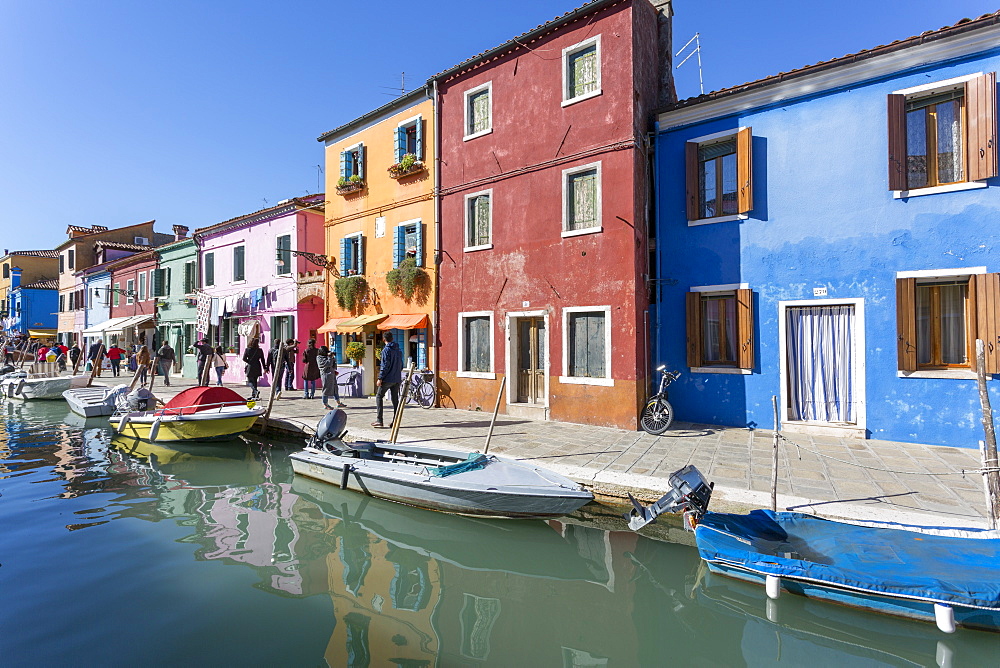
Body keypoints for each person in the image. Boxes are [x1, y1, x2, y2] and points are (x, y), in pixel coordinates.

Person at [372, 331, 402, 428]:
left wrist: (380, 378)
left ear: (384, 340)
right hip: (397, 378)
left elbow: (385, 366)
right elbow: (401, 365)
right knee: (395, 400)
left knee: (379, 397)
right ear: (392, 339)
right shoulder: (398, 350)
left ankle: (379, 420)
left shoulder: (386, 350)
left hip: (387, 379)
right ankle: (395, 421)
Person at [317, 345, 346, 410]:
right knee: (326, 389)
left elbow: (333, 364)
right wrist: (330, 357)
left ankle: (338, 403)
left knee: (335, 388)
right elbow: (328, 364)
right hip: (326, 375)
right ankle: (325, 404)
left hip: (332, 374)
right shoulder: (319, 358)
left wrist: (333, 357)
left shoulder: (328, 357)